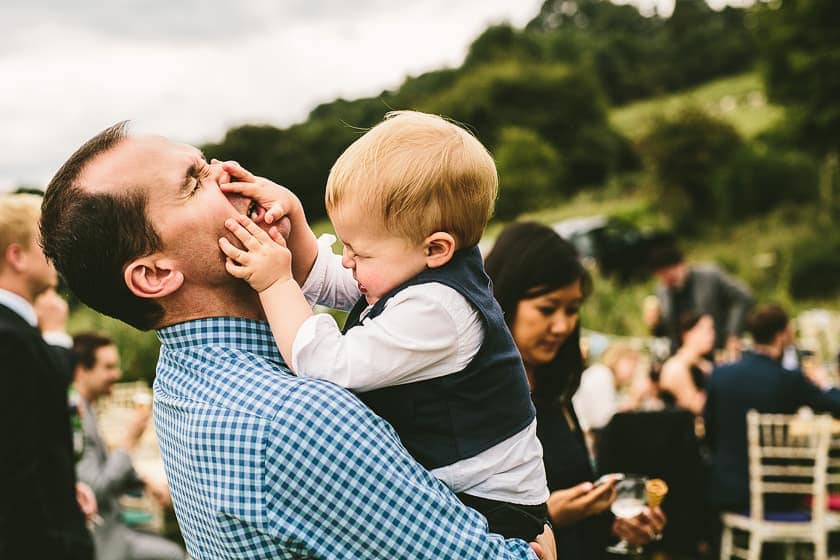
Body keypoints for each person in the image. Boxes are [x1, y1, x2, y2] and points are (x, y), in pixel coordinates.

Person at [40, 121, 554, 559]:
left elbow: (335, 283)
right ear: (154, 275)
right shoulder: (296, 418)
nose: (225, 173)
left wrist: (295, 247)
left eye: (208, 161)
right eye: (194, 182)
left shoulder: (182, 381)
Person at [217, 110, 548, 540]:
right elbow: (329, 279)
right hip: (461, 491)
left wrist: (275, 282)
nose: (348, 260)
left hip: (493, 510)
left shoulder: (438, 310)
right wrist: (293, 220)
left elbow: (328, 366)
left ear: (435, 248)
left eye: (361, 252)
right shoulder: (412, 271)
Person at [484, 221, 665, 560]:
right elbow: (459, 524)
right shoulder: (477, 400)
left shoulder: (556, 396)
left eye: (572, 309)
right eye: (547, 309)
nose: (562, 325)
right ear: (505, 300)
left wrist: (616, 526)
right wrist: (548, 516)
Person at [0, 193, 95, 559]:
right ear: (17, 257)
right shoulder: (9, 339)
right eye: (44, 245)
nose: (54, 254)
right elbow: (13, 464)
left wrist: (63, 485)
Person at [704, 303, 840, 514]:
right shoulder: (789, 380)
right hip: (774, 496)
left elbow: (710, 434)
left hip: (725, 489)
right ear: (783, 334)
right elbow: (835, 405)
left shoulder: (721, 374)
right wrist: (825, 384)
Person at [72, 332, 185, 560]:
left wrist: (142, 481)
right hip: (101, 539)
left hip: (117, 527)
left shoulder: (88, 409)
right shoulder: (77, 416)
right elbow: (97, 487)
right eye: (109, 367)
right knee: (173, 555)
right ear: (82, 370)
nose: (117, 374)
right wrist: (129, 441)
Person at [644, 243, 753, 357]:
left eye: (667, 274)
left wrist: (733, 334)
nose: (665, 280)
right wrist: (655, 324)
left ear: (680, 265)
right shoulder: (662, 290)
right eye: (660, 275)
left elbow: (742, 298)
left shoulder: (710, 276)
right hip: (683, 356)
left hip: (716, 351)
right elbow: (667, 330)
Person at [573, 342, 650, 434]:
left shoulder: (605, 376)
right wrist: (634, 400)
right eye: (631, 362)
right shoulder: (601, 374)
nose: (634, 369)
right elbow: (602, 421)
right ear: (616, 358)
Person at [658, 311, 716, 416]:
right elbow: (697, 407)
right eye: (706, 330)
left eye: (712, 329)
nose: (712, 336)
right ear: (687, 333)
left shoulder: (703, 365)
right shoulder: (676, 367)